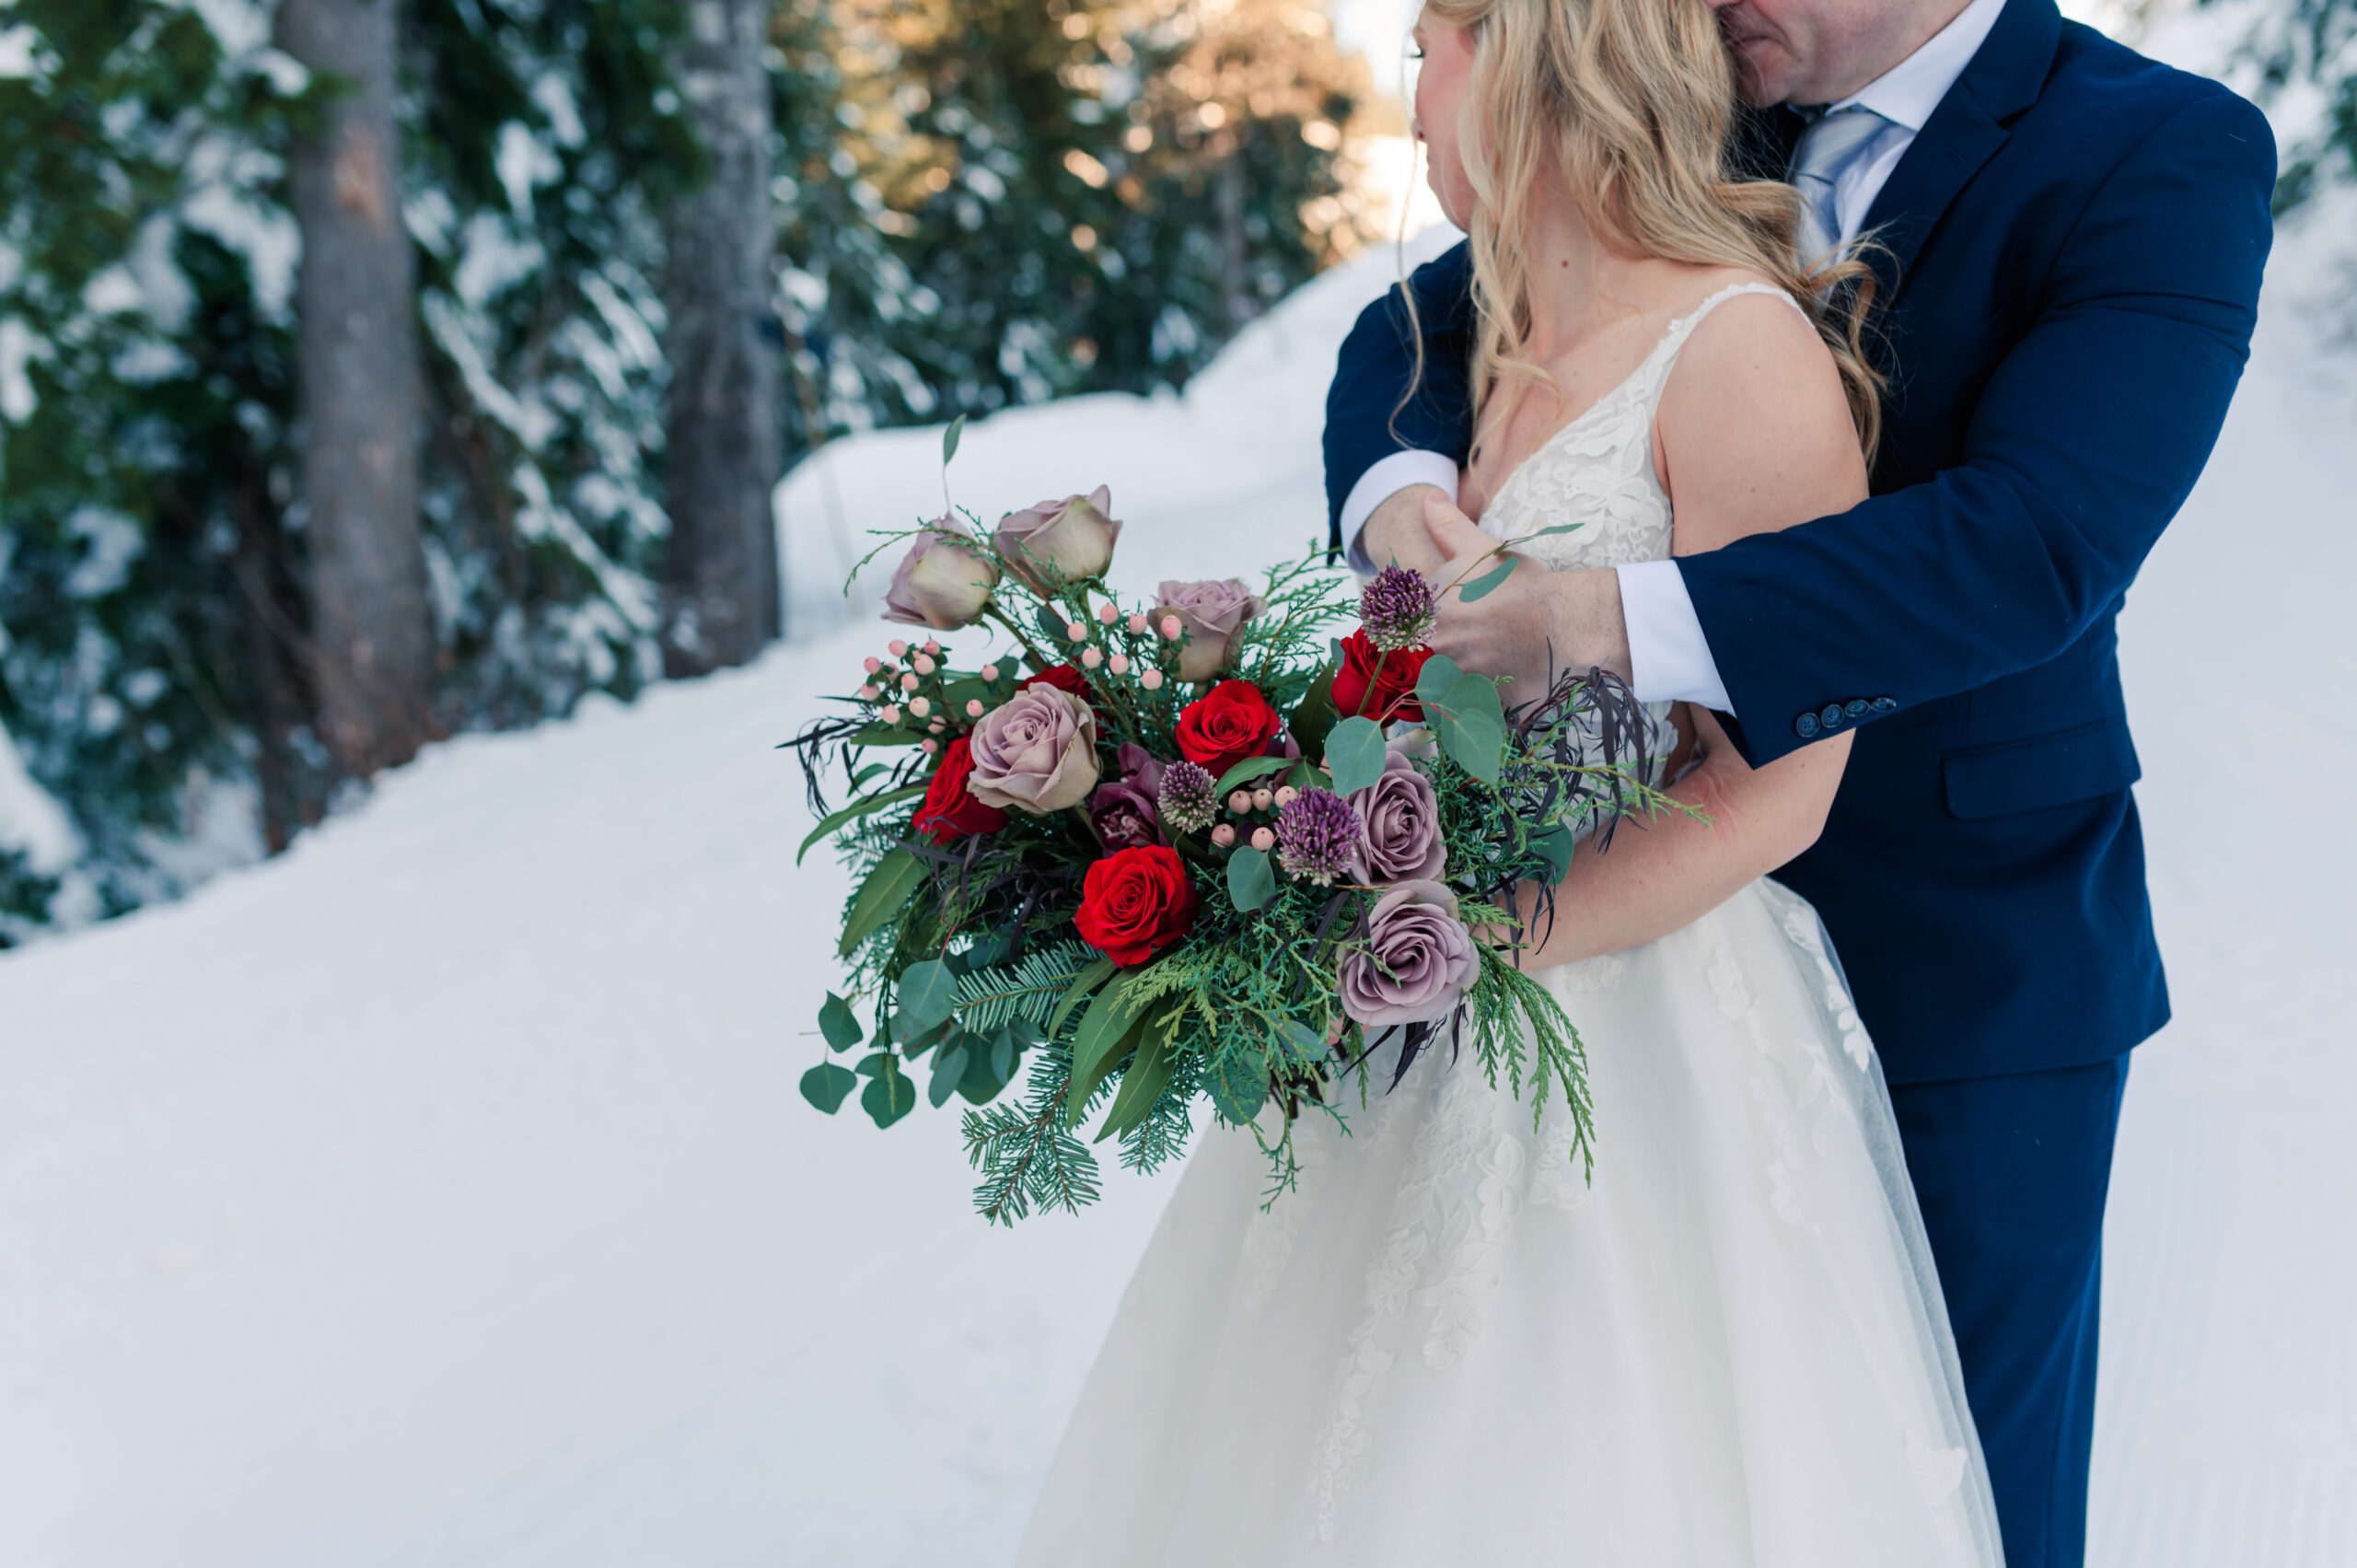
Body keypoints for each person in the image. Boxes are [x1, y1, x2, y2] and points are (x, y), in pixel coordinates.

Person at [1016, 2, 2014, 1561]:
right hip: (1408, 1015)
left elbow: (1784, 790)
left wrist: (1497, 942)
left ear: (1536, 54)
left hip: (1634, 1031)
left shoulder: (1738, 349)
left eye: (1431, 46)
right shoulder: (1480, 351)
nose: (1408, 96)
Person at [1322, 0, 2276, 1562]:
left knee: (1950, 1495)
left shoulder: (2157, 151)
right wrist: (1400, 490)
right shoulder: (1703, 105)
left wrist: (1601, 621)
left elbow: (2038, 544)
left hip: (1959, 960)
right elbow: (1427, 318)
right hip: (1626, 983)